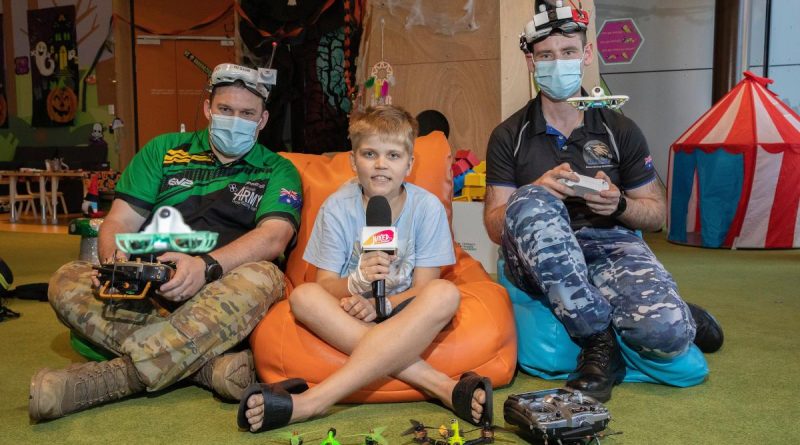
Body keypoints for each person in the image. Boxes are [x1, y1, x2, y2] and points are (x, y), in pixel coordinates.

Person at [30, 63, 303, 421]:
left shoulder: (278, 169)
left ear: (263, 119)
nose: (235, 120)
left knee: (264, 276)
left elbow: (274, 236)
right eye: (225, 110)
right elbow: (119, 220)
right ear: (208, 108)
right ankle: (208, 367)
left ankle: (108, 380)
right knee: (66, 278)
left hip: (223, 289)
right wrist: (115, 263)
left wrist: (204, 267)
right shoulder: (163, 150)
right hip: (148, 289)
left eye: (246, 113)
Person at [483, 1, 723, 402]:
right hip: (541, 257)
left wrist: (619, 205)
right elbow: (493, 224)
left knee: (664, 333)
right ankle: (599, 342)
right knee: (530, 201)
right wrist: (538, 189)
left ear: (587, 54)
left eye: (568, 52)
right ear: (530, 62)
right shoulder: (509, 135)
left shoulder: (619, 130)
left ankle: (687, 317)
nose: (556, 64)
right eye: (545, 56)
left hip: (611, 244)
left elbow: (656, 214)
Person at [237, 105, 492, 433]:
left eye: (393, 156)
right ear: (353, 160)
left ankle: (314, 401)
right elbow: (324, 285)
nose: (381, 165)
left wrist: (382, 305)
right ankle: (443, 387)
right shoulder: (337, 207)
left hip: (405, 312)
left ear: (410, 164)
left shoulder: (427, 208)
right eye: (370, 154)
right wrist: (356, 283)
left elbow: (425, 288)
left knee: (445, 293)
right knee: (303, 297)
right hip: (349, 312)